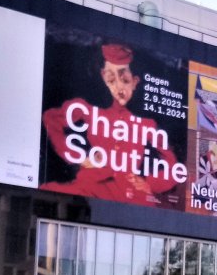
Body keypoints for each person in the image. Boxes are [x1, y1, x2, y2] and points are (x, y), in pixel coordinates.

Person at [41, 43, 180, 206]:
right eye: (111, 80)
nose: (119, 87)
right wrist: (79, 156)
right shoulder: (89, 110)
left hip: (128, 195)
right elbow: (51, 118)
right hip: (89, 187)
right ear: (103, 78)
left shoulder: (147, 124)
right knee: (45, 193)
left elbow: (173, 168)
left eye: (125, 80)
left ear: (135, 82)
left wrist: (150, 184)